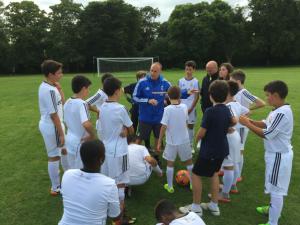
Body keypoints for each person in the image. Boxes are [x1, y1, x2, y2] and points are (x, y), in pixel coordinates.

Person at [239, 80, 293, 225]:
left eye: (268, 95)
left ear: (275, 95)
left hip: (279, 156)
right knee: (272, 184)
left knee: (276, 190)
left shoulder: (282, 113)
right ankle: (272, 209)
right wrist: (250, 120)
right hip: (274, 154)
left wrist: (247, 124)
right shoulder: (277, 109)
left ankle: (272, 222)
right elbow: (266, 123)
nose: (266, 98)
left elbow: (267, 133)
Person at [179, 80, 236, 217]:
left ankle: (196, 207)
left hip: (210, 150)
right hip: (222, 150)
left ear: (210, 95)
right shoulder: (227, 109)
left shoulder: (210, 111)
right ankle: (214, 205)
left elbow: (202, 132)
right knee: (214, 173)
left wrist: (196, 140)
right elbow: (231, 124)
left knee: (196, 174)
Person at [98, 77, 135, 224]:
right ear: (116, 91)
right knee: (121, 184)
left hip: (105, 150)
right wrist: (126, 129)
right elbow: (131, 129)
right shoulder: (120, 108)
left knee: (108, 182)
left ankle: (107, 212)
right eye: (120, 89)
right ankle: (119, 218)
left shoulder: (102, 108)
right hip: (120, 151)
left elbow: (101, 129)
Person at [58, 140, 121, 225]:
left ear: (82, 156)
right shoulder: (109, 184)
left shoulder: (67, 175)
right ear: (102, 159)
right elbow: (115, 215)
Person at [38, 59, 68, 196]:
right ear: (50, 74)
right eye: (59, 73)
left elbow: (62, 102)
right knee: (54, 156)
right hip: (52, 126)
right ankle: (56, 187)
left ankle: (64, 181)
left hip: (53, 125)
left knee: (61, 153)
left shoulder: (51, 87)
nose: (61, 75)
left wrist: (60, 88)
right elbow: (53, 114)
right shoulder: (49, 90)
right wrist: (61, 133)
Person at [157, 86, 194, 193]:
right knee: (189, 163)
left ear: (168, 96)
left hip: (171, 142)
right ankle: (192, 183)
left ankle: (170, 186)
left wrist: (159, 141)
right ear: (180, 96)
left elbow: (163, 126)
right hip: (184, 140)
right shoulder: (184, 107)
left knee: (170, 163)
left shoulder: (167, 109)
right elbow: (186, 122)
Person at [230, 70, 265, 181]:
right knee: (235, 149)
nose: (229, 82)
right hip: (236, 125)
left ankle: (238, 176)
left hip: (242, 126)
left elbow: (261, 103)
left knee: (239, 150)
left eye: (232, 81)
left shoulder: (244, 92)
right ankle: (232, 172)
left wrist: (248, 110)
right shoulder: (235, 92)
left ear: (239, 81)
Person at [218, 80, 249, 202]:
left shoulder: (228, 106)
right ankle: (232, 186)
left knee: (228, 166)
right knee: (234, 163)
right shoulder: (236, 104)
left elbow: (232, 121)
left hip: (229, 138)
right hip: (236, 137)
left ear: (228, 92)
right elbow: (247, 112)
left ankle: (225, 194)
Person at [133, 62, 171, 149]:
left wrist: (187, 93)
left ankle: (156, 158)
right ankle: (133, 155)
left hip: (159, 118)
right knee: (140, 138)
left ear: (160, 72)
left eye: (155, 71)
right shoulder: (142, 82)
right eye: (151, 70)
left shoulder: (165, 83)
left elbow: (175, 93)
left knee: (158, 139)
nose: (152, 73)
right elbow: (134, 97)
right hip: (145, 117)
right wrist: (147, 101)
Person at [64, 75, 96, 169]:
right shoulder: (82, 103)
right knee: (80, 171)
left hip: (69, 139)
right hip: (80, 142)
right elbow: (86, 123)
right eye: (88, 89)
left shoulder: (67, 102)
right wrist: (92, 135)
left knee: (71, 170)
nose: (88, 92)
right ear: (83, 88)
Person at [124, 71, 150, 149]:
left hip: (145, 111)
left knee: (145, 128)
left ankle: (147, 146)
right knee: (133, 127)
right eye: (143, 77)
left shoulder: (148, 86)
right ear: (138, 78)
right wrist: (129, 99)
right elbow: (123, 89)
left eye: (145, 77)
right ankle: (131, 144)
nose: (145, 78)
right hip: (135, 110)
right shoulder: (133, 85)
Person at [178, 61, 200, 152]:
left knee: (190, 126)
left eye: (190, 69)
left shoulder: (196, 82)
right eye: (187, 69)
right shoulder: (180, 81)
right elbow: (179, 95)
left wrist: (191, 108)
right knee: (182, 126)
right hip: (181, 108)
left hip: (191, 108)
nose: (188, 71)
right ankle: (182, 144)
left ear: (194, 70)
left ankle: (191, 145)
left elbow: (196, 97)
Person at [86, 73, 113, 139]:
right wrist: (99, 111)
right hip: (102, 124)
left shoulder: (109, 92)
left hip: (109, 121)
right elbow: (86, 104)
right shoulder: (100, 94)